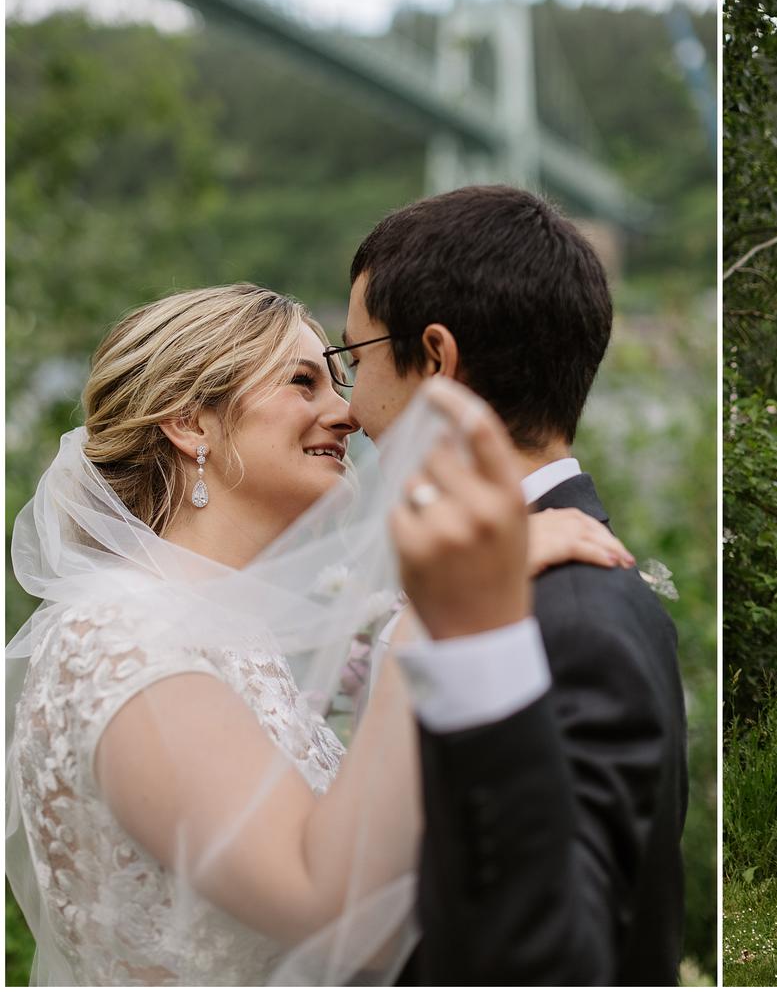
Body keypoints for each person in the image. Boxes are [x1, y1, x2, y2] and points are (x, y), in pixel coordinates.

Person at [5, 284, 627, 985]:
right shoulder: (118, 635)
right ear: (190, 422)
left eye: (339, 379)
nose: (349, 412)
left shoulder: (222, 632)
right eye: (304, 382)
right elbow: (325, 904)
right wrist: (438, 611)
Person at [335, 184, 689, 985]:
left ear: (435, 357)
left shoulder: (563, 621)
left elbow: (549, 960)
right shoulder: (586, 586)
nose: (350, 409)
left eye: (354, 361)